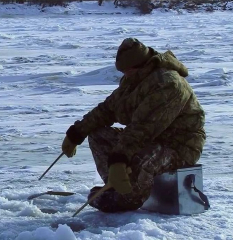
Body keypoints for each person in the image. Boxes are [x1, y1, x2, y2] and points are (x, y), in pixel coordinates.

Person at [61, 38, 206, 212]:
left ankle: (127, 197)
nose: (124, 74)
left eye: (127, 70)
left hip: (179, 145)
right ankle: (117, 184)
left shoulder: (168, 84)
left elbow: (143, 128)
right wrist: (77, 132)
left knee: (143, 158)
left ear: (140, 65)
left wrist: (119, 158)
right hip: (150, 139)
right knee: (98, 134)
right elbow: (108, 109)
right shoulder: (135, 80)